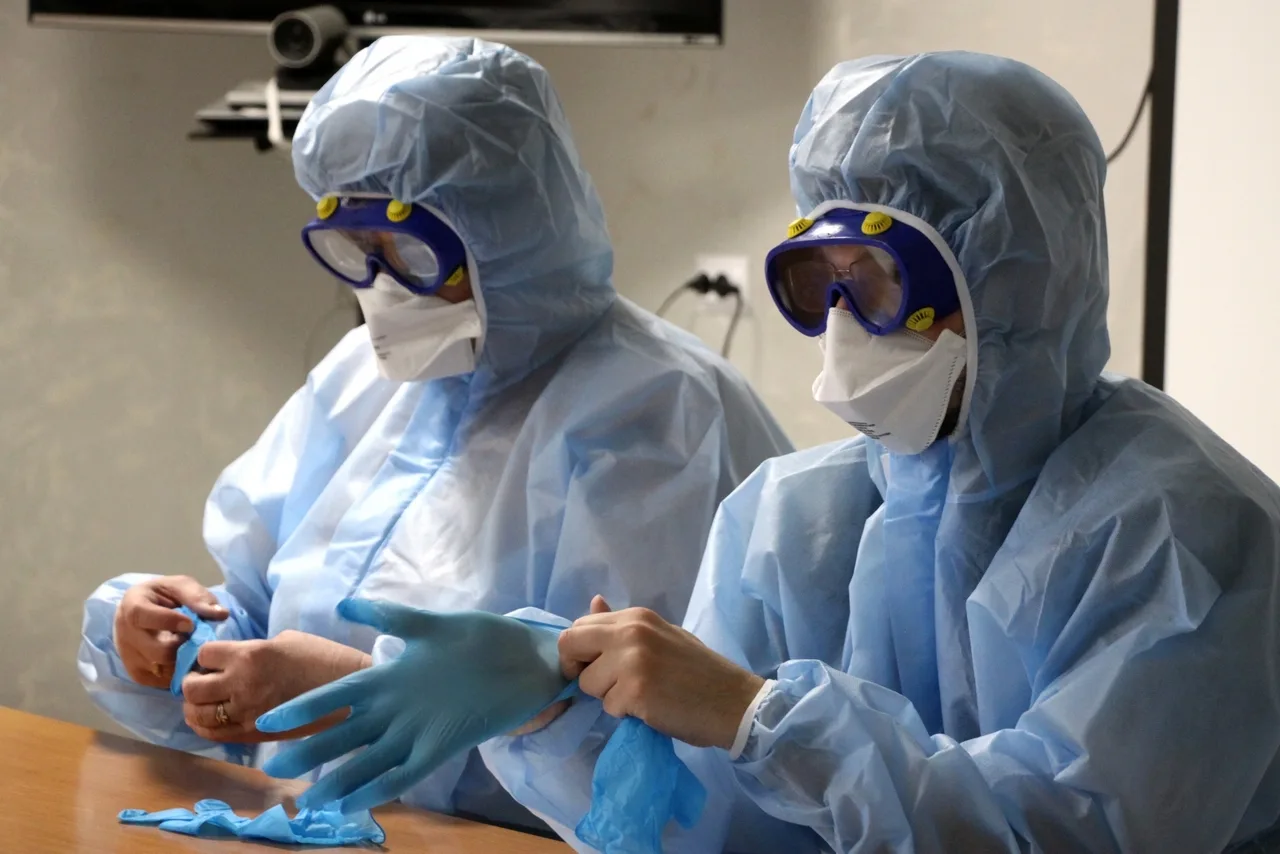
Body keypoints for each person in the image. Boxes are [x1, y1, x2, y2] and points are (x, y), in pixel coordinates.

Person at [470, 52, 1280, 852]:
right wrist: (560, 714)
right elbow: (711, 821)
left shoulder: (1185, 539)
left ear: (1018, 281)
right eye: (820, 280)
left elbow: (1066, 833)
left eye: (882, 279)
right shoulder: (790, 522)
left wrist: (760, 718)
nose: (843, 325)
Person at [77, 35, 791, 832]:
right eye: (358, 248)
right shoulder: (363, 378)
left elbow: (674, 775)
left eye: (410, 249)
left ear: (507, 228)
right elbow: (259, 605)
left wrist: (352, 690)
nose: (384, 288)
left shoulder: (661, 411)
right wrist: (176, 641)